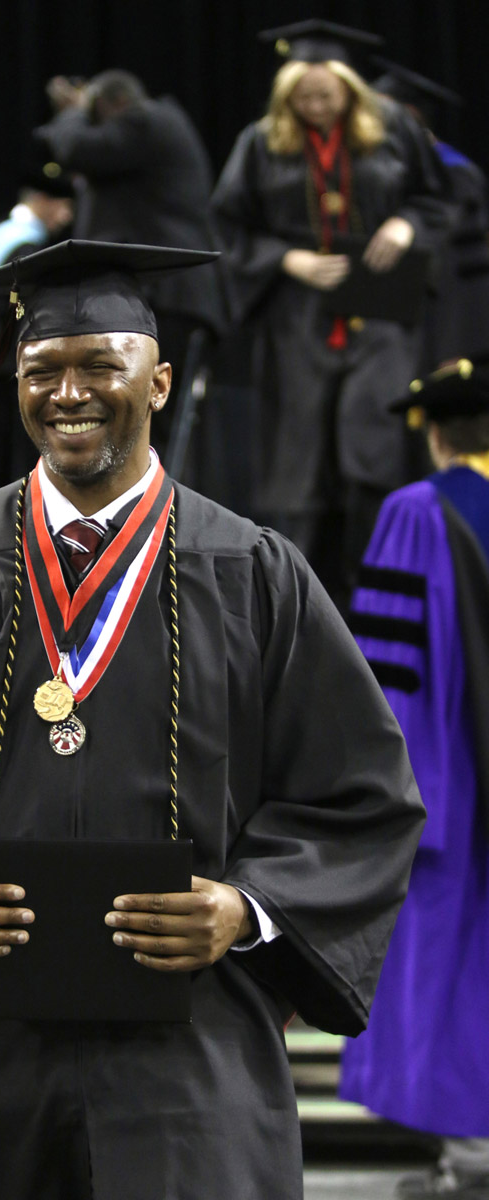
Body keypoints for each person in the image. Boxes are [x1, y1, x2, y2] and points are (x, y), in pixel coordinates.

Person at [0, 240, 425, 1200]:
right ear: (16, 385)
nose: (69, 392)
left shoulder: (251, 572)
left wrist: (245, 910)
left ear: (157, 382)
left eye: (100, 365)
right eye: (42, 371)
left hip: (187, 1055)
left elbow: (359, 792)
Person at [212, 20, 450, 602]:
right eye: (303, 98)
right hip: (299, 318)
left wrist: (405, 223)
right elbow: (226, 224)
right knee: (302, 461)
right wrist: (287, 259)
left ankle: (379, 598)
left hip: (381, 314)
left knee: (373, 449)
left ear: (350, 89)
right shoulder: (261, 141)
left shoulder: (393, 130)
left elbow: (439, 197)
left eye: (327, 95)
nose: (315, 107)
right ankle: (301, 602)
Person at [339, 357, 489, 1200]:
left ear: (434, 433)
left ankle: (468, 1159)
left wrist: (396, 791)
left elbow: (386, 672)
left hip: (452, 783)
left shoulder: (416, 512)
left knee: (450, 964)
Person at [35, 70, 225, 456]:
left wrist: (73, 111)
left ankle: (165, 513)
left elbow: (75, 148)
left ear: (110, 107)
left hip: (168, 295)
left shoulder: (148, 119)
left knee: (157, 415)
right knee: (139, 417)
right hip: (154, 295)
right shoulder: (151, 129)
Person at [0, 165, 74, 491]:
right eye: (63, 206)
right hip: (7, 375)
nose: (65, 217)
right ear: (42, 200)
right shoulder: (27, 248)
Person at [371, 58, 489, 368]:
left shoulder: (456, 172)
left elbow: (464, 260)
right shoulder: (386, 169)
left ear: (411, 116)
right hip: (400, 310)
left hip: (452, 315)